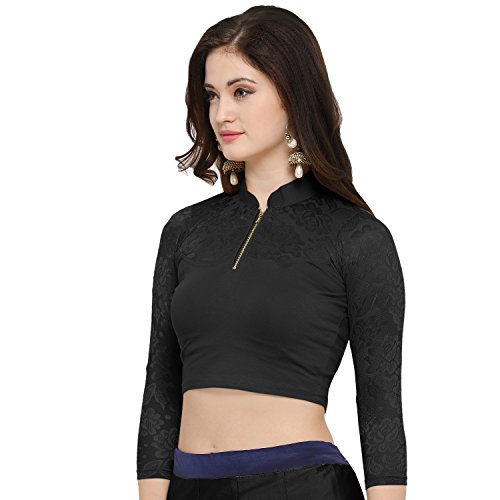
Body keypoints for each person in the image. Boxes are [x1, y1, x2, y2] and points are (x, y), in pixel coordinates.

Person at [137, 6, 407, 500]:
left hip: (300, 485)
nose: (221, 113)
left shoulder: (355, 237)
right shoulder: (186, 230)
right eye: (211, 95)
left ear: (293, 94)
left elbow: (381, 405)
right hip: (189, 485)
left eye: (241, 91)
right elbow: (160, 385)